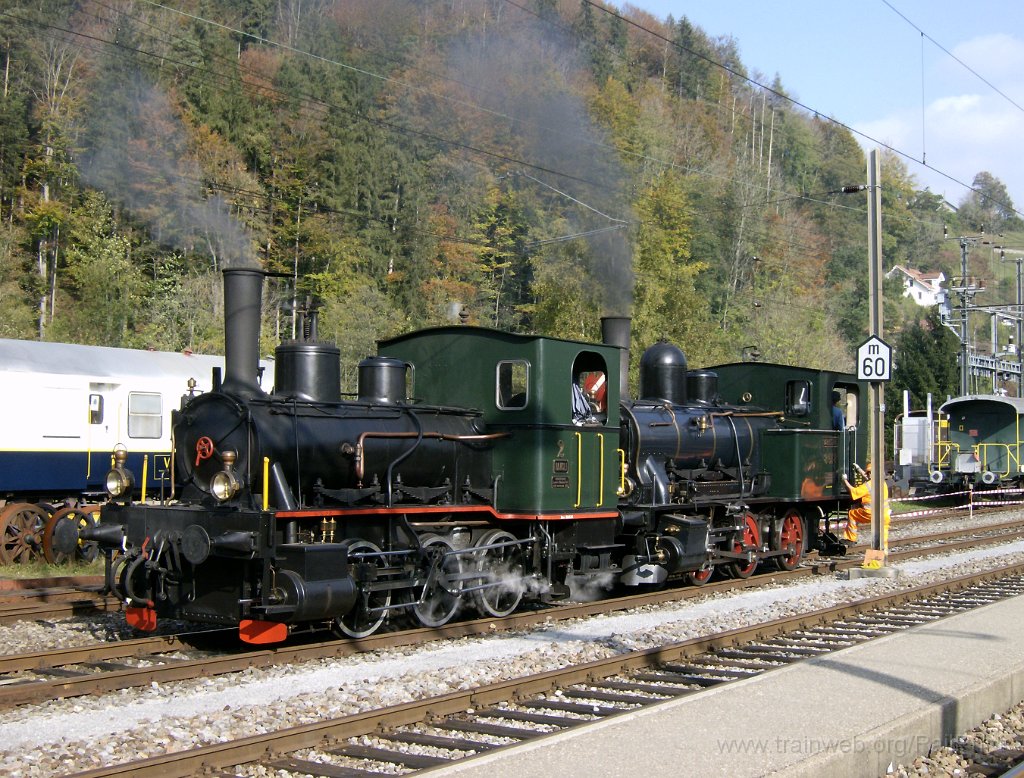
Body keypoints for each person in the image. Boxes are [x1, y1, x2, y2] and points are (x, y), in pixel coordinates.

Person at [841, 462, 890, 550]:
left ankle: (850, 539)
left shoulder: (867, 485)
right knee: (884, 537)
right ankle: (882, 556)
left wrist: (844, 480)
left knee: (852, 514)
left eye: (869, 472)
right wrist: (859, 469)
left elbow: (854, 491)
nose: (868, 474)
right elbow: (867, 477)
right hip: (885, 515)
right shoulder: (882, 482)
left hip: (870, 514)